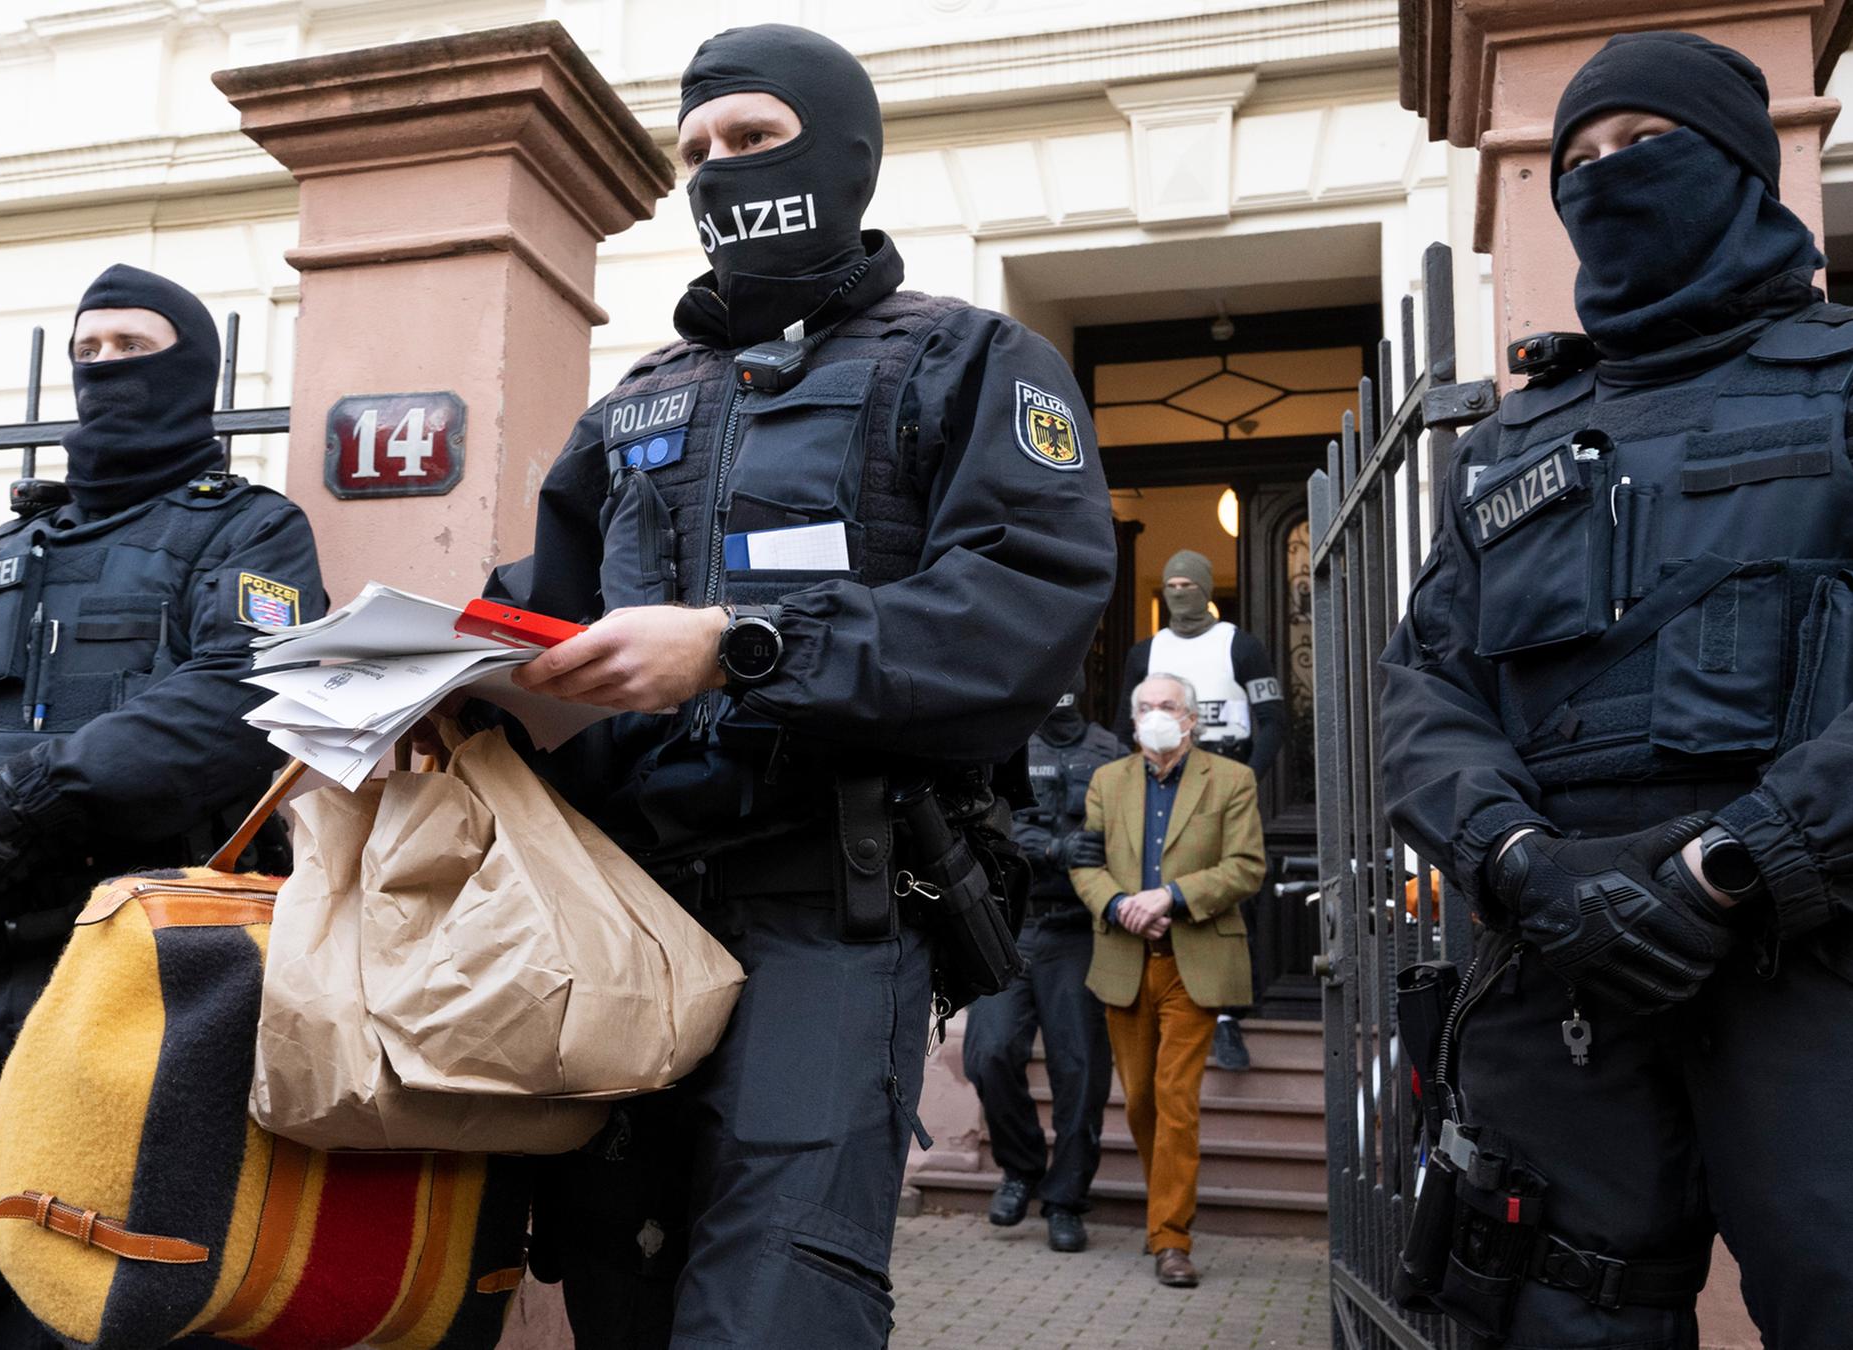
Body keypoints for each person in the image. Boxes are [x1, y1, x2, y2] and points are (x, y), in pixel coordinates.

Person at [1376, 31, 1853, 1350]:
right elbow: (1425, 699)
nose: (1604, 178)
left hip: (1835, 972)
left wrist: (1730, 866)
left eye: (1642, 146)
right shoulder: (1513, 443)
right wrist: (1521, 861)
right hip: (1561, 985)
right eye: (1574, 161)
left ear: (1742, 168)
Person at [480, 23, 1114, 1348]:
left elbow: (1018, 613)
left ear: (843, 151)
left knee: (779, 1295)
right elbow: (549, 619)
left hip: (833, 907)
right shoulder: (634, 408)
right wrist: (456, 679)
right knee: (617, 1276)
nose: (721, 169)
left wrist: (741, 642)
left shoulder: (967, 361)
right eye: (696, 150)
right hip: (627, 918)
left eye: (754, 139)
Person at [0, 263, 325, 1349]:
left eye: (135, 349)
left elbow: (235, 695)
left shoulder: (248, 532)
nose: (108, 370)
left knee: (131, 1271)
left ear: (195, 371)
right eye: (91, 353)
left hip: (143, 973)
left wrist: (25, 799)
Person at [1070, 673, 1265, 1289]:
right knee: (1141, 1100)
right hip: (1125, 959)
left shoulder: (1231, 779)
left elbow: (1245, 867)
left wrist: (1171, 897)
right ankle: (1165, 1219)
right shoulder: (1108, 780)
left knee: (1176, 1100)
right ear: (1133, 720)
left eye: (1168, 706)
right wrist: (1119, 905)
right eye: (1145, 706)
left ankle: (1170, 1239)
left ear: (1191, 719)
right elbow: (1087, 861)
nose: (1156, 715)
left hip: (1195, 959)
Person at [963, 679, 1123, 1254]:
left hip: (1079, 930)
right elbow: (986, 821)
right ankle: (1021, 1167)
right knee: (988, 1052)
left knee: (1079, 1071)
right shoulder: (1008, 749)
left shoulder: (1112, 751)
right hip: (1013, 926)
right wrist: (1052, 848)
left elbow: (1125, 831)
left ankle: (1065, 1199)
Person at [1115, 548, 1284, 1071]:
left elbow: (1274, 720)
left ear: (1208, 588)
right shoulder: (1145, 653)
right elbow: (1125, 728)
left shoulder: (1242, 647)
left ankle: (1229, 1018)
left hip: (1224, 777)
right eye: (1171, 584)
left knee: (1230, 895)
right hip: (1162, 780)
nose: (1179, 592)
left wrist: (1244, 781)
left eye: (1190, 583)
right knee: (1161, 888)